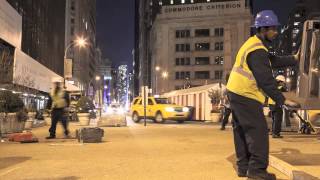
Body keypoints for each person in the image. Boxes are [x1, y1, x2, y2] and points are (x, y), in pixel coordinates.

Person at [226, 10, 300, 179]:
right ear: (262, 29)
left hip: (235, 92)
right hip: (245, 94)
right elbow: (265, 80)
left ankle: (243, 167)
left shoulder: (255, 45)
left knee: (242, 131)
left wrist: (294, 59)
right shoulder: (257, 50)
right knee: (258, 130)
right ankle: (257, 172)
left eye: (276, 28)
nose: (276, 32)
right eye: (272, 29)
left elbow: (273, 61)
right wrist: (282, 99)